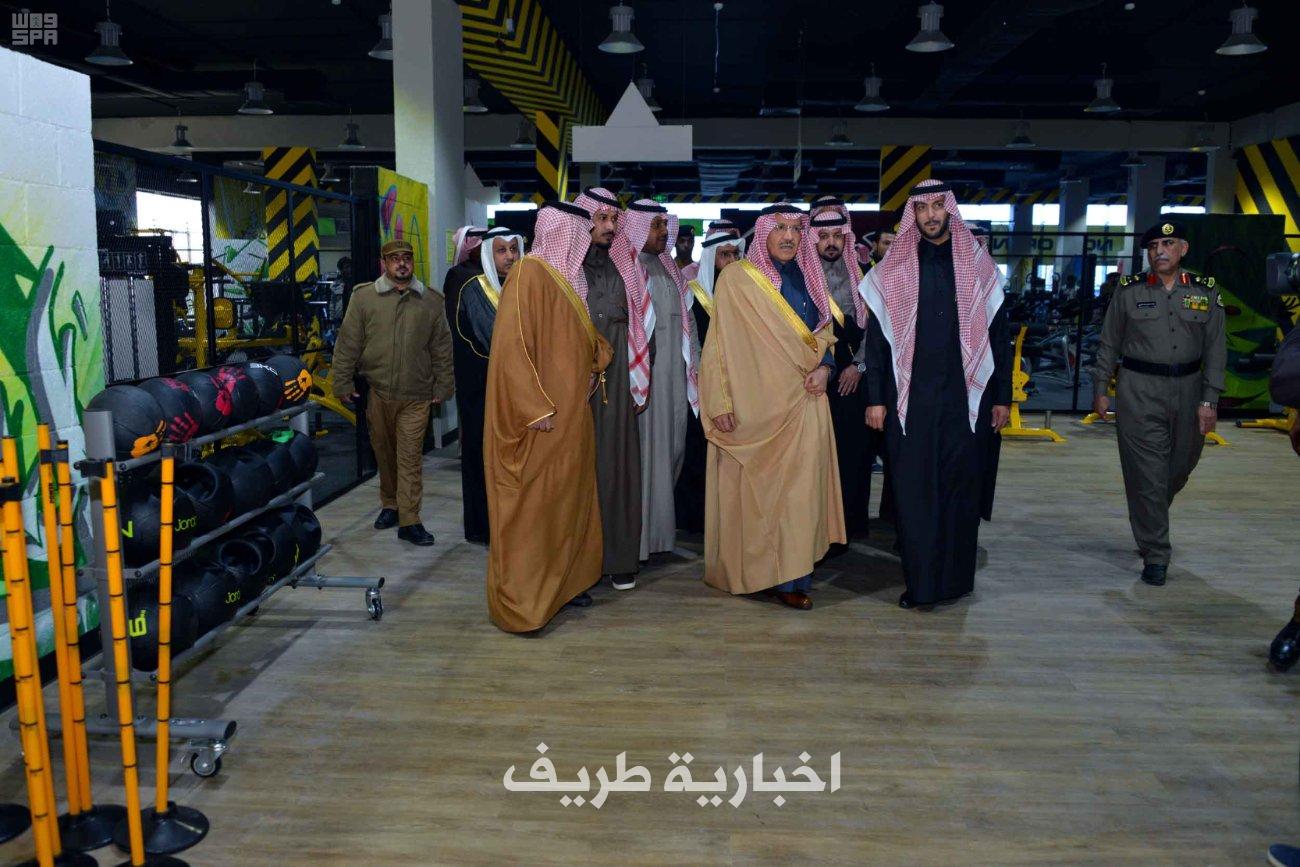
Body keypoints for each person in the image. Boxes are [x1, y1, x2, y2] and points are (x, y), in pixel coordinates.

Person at [861, 180, 1011, 610]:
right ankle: (922, 586)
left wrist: (1002, 397)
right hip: (910, 401)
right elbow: (878, 344)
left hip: (967, 402)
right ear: (914, 214)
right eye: (922, 207)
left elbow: (999, 338)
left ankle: (956, 582)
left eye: (937, 206)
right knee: (915, 492)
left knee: (961, 490)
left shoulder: (979, 267)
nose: (930, 214)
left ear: (950, 211)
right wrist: (875, 399)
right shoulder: (892, 270)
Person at [699, 203, 846, 610]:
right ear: (763, 232)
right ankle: (754, 574)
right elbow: (718, 346)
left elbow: (824, 335)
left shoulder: (810, 275)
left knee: (799, 497)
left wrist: (827, 368)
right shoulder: (737, 279)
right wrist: (720, 401)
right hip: (752, 407)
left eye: (796, 229)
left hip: (804, 402)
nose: (789, 236)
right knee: (756, 497)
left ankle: (792, 579)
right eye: (780, 228)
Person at [484, 202, 613, 631]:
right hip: (543, 420)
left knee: (568, 504)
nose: (585, 239)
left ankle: (566, 585)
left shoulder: (568, 279)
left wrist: (596, 361)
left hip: (572, 419)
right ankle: (526, 603)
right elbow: (512, 347)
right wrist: (533, 406)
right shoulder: (529, 274)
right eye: (580, 231)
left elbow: (582, 336)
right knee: (534, 510)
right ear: (564, 233)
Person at [1089, 221, 1225, 586]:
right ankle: (1156, 553)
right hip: (1139, 390)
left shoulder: (1204, 290)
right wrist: (1101, 387)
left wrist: (1210, 399)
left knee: (1179, 467)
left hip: (1190, 390)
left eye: (1167, 244)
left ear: (1183, 248)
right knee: (1146, 474)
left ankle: (1147, 516)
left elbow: (1216, 349)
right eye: (1152, 246)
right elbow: (1109, 342)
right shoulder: (1129, 290)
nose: (1159, 251)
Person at [333, 238, 455, 547]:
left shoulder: (430, 301)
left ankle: (410, 520)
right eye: (394, 258)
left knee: (410, 458)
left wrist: (443, 384)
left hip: (416, 396)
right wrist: (342, 381)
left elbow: (442, 347)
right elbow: (348, 343)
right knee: (384, 454)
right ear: (384, 264)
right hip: (378, 393)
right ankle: (390, 504)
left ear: (413, 262)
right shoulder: (364, 298)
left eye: (407, 258)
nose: (402, 263)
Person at [573, 187, 653, 591]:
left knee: (619, 468)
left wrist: (639, 380)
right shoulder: (566, 266)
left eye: (613, 219)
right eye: (601, 218)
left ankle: (619, 559)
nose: (609, 226)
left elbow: (643, 327)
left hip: (619, 382)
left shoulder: (625, 265)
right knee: (580, 470)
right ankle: (579, 564)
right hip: (576, 384)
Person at [625, 200, 698, 561]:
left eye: (664, 225)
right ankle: (636, 542)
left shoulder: (668, 268)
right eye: (655, 226)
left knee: (671, 452)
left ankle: (660, 537)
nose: (663, 232)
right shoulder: (628, 268)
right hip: (644, 386)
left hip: (673, 384)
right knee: (644, 459)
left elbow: (688, 324)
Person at [445, 226, 523, 544]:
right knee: (481, 456)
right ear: (488, 254)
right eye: (501, 250)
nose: (509, 257)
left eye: (514, 249)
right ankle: (483, 527)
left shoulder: (518, 285)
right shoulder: (475, 287)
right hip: (481, 388)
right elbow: (495, 339)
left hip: (512, 389)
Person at [810, 197, 874, 539]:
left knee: (852, 453)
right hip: (813, 376)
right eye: (824, 236)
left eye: (838, 235)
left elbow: (875, 328)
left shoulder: (861, 274)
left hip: (851, 377)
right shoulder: (802, 274)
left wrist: (859, 365)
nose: (831, 243)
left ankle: (849, 527)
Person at [675, 230, 744, 533]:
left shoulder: (743, 293)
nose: (731, 261)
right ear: (711, 259)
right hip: (701, 383)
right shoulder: (695, 294)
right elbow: (691, 342)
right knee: (698, 452)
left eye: (735, 254)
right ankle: (695, 519)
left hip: (737, 384)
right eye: (724, 255)